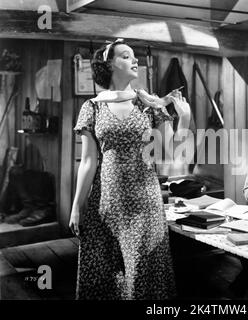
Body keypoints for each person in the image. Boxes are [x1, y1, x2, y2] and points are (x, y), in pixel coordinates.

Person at [69, 39, 190, 300]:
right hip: (106, 206)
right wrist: (77, 206)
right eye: (126, 56)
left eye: (135, 56)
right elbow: (88, 162)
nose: (135, 60)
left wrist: (186, 119)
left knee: (142, 280)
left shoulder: (149, 104)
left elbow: (172, 153)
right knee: (105, 278)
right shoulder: (92, 107)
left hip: (145, 207)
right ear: (109, 64)